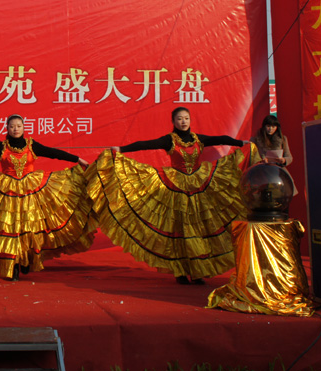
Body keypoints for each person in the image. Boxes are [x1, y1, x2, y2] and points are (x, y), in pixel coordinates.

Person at [87, 107, 259, 285]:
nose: (183, 122)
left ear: (190, 120)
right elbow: (146, 144)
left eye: (186, 118)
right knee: (180, 231)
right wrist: (121, 149)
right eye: (179, 119)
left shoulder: (198, 139)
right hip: (177, 189)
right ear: (173, 122)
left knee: (199, 228)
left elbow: (221, 139)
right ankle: (181, 271)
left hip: (199, 187)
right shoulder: (169, 140)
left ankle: (198, 271)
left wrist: (241, 142)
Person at [0, 114, 96, 281]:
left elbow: (53, 153)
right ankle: (13, 267)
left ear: (23, 128)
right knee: (11, 229)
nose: (15, 129)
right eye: (12, 126)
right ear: (7, 128)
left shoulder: (32, 146)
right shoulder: (1, 147)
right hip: (8, 193)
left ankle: (27, 258)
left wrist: (77, 159)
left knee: (29, 228)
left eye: (19, 126)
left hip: (30, 192)